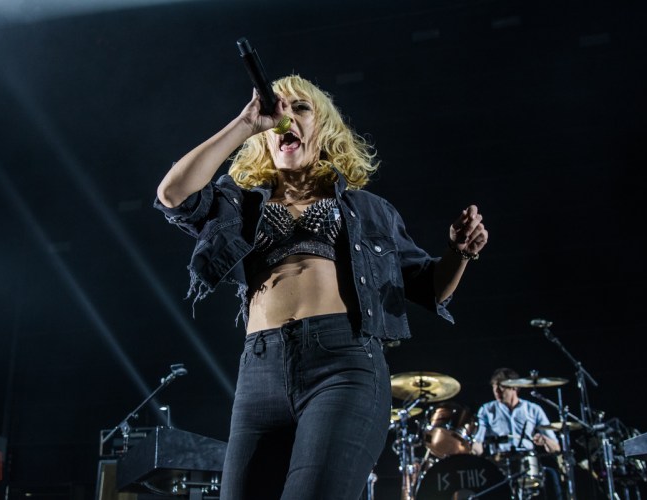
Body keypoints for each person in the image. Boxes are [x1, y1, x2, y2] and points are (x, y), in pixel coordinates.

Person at [154, 74, 489, 500]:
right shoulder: (239, 201)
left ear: (325, 127)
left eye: (300, 108)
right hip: (260, 370)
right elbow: (173, 194)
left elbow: (430, 288)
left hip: (342, 366)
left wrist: (459, 252)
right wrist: (246, 122)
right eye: (276, 109)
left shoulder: (369, 209)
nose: (285, 117)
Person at [472, 367, 563, 499]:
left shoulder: (533, 409)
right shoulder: (487, 410)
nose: (496, 391)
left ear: (515, 387)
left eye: (501, 387)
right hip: (499, 465)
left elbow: (555, 448)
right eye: (494, 387)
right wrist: (473, 451)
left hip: (527, 465)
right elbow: (478, 442)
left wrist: (544, 439)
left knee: (552, 476)